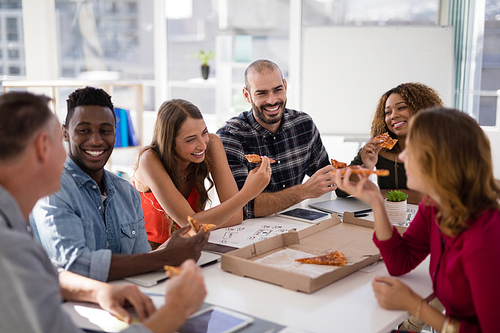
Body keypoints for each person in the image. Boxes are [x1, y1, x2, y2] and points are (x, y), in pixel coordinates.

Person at [0, 91, 206, 333]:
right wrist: (177, 310)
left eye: (105, 130)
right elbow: (68, 265)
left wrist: (98, 291)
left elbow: (50, 274)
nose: (95, 141)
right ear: (45, 146)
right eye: (61, 139)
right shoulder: (10, 248)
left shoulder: (13, 228)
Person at [334, 107, 500, 332]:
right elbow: (400, 261)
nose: (402, 157)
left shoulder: (484, 242)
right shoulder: (435, 206)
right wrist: (376, 202)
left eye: (411, 150)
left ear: (439, 161)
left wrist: (414, 305)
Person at [30, 87, 208, 282]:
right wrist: (166, 255)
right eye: (84, 130)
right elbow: (75, 265)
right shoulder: (51, 191)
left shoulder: (126, 193)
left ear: (115, 132)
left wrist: (169, 252)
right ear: (65, 133)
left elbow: (142, 262)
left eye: (105, 130)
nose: (96, 140)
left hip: (129, 299)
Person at [134, 99, 271, 249]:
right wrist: (247, 192)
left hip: (192, 245)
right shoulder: (149, 160)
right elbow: (191, 225)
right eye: (190, 139)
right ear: (169, 143)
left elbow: (236, 216)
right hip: (151, 250)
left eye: (204, 132)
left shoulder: (211, 143)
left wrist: (201, 222)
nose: (202, 144)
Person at [216, 59, 336, 219]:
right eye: (262, 93)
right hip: (249, 231)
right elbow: (242, 207)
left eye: (277, 90)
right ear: (247, 95)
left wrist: (362, 166)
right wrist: (305, 191)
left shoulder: (303, 124)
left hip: (297, 221)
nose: (272, 100)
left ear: (285, 86)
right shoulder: (230, 136)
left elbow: (327, 179)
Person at [336, 82, 443, 199]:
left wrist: (383, 193)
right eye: (388, 112)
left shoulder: (440, 149)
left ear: (421, 110)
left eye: (401, 108)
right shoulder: (376, 149)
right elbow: (341, 190)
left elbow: (439, 198)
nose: (393, 116)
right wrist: (366, 167)